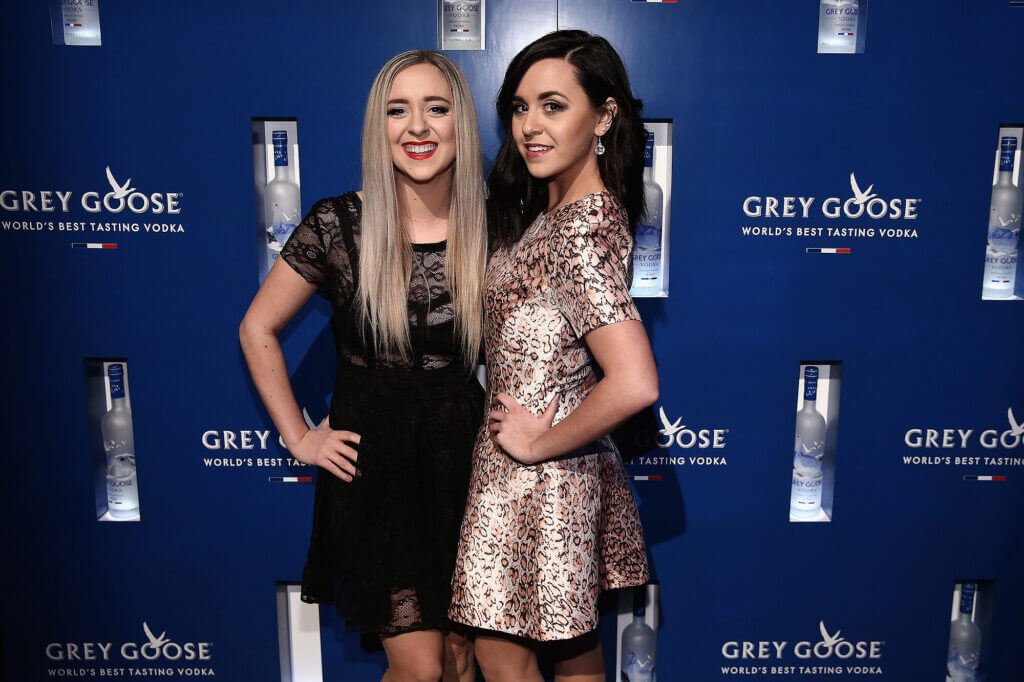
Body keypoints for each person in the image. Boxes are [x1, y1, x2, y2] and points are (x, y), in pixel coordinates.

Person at [239, 50, 486, 682]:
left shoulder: (495, 225)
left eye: (437, 108)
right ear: (378, 128)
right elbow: (257, 328)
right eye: (397, 110)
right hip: (377, 473)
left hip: (471, 466)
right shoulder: (338, 225)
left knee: (462, 661)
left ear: (462, 122)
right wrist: (299, 435)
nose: (418, 127)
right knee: (422, 668)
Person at [448, 30, 659, 682]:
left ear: (603, 116)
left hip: (538, 476)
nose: (530, 126)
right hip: (529, 477)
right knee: (572, 656)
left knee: (502, 656)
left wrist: (538, 445)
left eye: (552, 106)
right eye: (519, 107)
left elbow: (635, 382)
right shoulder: (557, 212)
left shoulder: (580, 230)